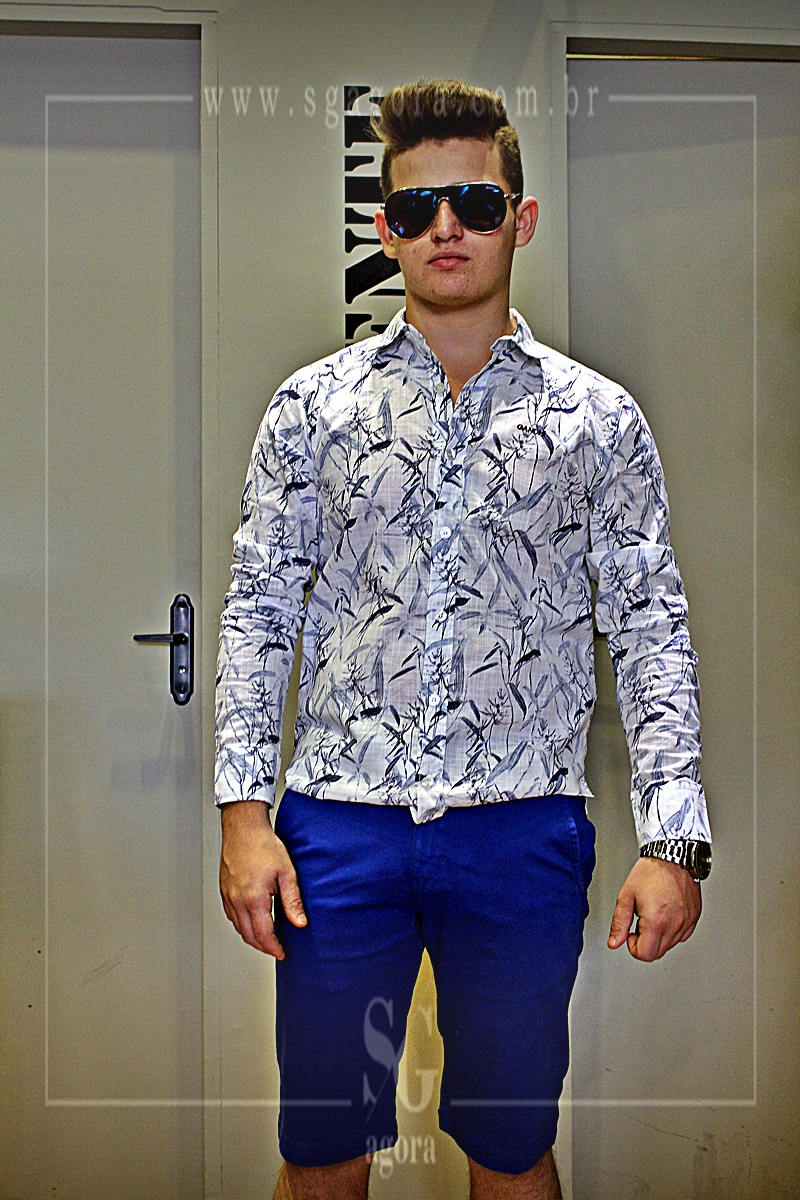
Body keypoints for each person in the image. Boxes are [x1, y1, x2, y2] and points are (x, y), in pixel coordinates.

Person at [215, 79, 712, 1200]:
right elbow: (258, 610)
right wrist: (244, 817)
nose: (446, 227)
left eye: (475, 204)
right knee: (324, 1148)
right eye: (416, 207)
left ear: (518, 220)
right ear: (385, 228)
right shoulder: (311, 409)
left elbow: (649, 625)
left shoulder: (597, 420)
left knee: (509, 1145)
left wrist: (673, 840)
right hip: (338, 829)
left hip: (521, 829)